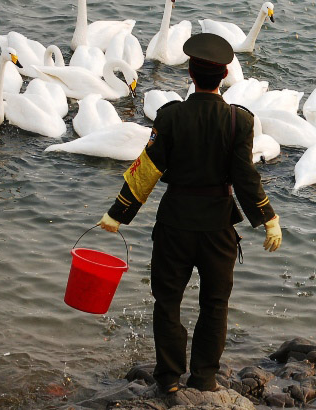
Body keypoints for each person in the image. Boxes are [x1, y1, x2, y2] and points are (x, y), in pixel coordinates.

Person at [97, 33, 282, 394]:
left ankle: (167, 380)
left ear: (191, 75)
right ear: (225, 74)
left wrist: (117, 213)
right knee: (215, 305)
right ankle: (204, 378)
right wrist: (268, 219)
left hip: (174, 224)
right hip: (218, 228)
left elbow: (147, 169)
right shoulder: (238, 122)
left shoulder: (170, 117)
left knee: (167, 303)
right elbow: (246, 178)